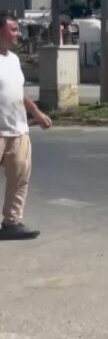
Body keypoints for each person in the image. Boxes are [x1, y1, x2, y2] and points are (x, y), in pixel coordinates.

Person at [0, 12, 51, 240]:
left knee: (20, 177)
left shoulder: (13, 59)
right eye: (13, 29)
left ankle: (12, 222)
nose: (18, 34)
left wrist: (36, 112)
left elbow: (18, 92)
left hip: (18, 129)